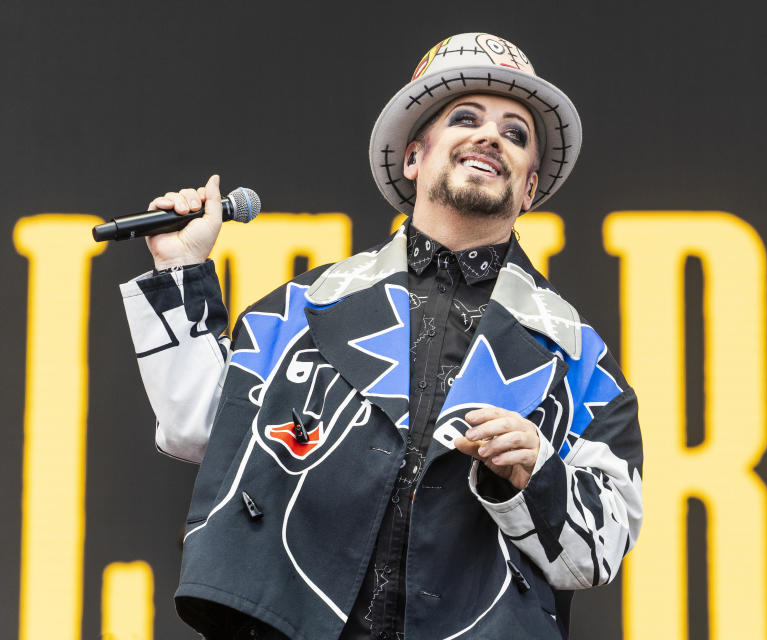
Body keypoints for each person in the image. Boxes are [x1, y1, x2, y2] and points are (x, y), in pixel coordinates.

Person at [120, 33, 643, 640]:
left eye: (516, 133)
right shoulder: (300, 307)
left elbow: (601, 554)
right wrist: (179, 269)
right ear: (415, 157)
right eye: (465, 118)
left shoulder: (580, 358)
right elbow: (198, 428)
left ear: (529, 188)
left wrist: (537, 473)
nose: (490, 137)